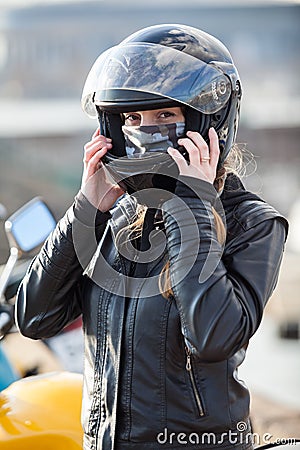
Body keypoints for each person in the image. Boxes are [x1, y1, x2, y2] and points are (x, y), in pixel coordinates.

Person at [15, 24, 288, 450]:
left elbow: (213, 337)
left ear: (207, 124)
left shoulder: (253, 222)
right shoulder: (117, 216)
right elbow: (35, 319)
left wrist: (192, 204)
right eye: (132, 118)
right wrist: (86, 208)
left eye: (165, 115)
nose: (145, 130)